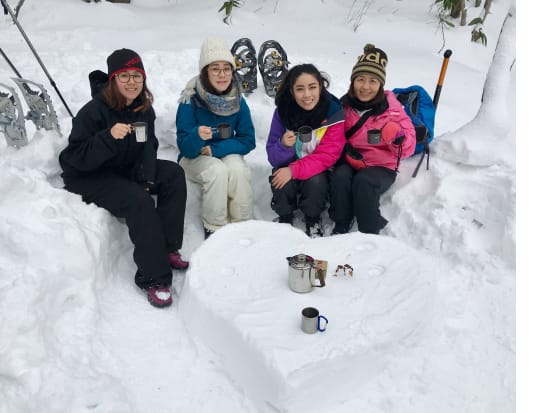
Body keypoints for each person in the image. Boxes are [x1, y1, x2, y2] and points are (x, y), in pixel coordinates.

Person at [58, 48, 188, 309]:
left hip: (123, 167)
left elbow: (149, 146)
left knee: (173, 173)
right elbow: (71, 159)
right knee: (138, 201)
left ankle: (167, 247)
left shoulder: (143, 109)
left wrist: (148, 177)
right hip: (89, 175)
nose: (131, 82)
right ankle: (153, 277)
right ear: (113, 80)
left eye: (137, 76)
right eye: (124, 76)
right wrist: (107, 138)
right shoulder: (93, 112)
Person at [329, 44, 416, 235]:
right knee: (340, 177)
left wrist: (397, 138)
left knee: (364, 181)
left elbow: (409, 146)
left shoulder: (392, 109)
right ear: (353, 81)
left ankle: (370, 230)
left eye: (373, 81)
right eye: (360, 79)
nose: (366, 87)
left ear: (380, 85)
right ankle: (341, 222)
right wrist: (344, 150)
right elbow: (332, 136)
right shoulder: (343, 106)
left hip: (381, 166)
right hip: (352, 161)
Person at [176, 37, 256, 239]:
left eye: (226, 69)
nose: (222, 75)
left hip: (223, 150)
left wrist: (216, 150)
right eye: (215, 69)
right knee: (217, 171)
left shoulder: (237, 99)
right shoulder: (190, 99)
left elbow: (248, 139)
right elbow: (185, 147)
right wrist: (196, 136)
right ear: (205, 71)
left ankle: (244, 225)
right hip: (194, 158)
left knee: (237, 170)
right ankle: (214, 228)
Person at [266, 64, 345, 238]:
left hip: (317, 169)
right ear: (292, 91)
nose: (307, 95)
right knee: (280, 178)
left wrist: (293, 170)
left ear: (320, 87)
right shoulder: (283, 112)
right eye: (300, 89)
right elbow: (272, 156)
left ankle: (313, 218)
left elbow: (327, 156)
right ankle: (285, 216)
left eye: (312, 87)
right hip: (290, 164)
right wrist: (283, 145)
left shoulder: (334, 114)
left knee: (316, 182)